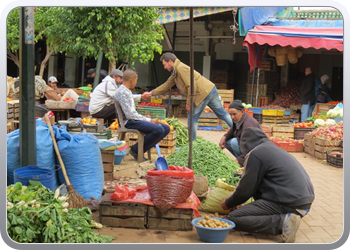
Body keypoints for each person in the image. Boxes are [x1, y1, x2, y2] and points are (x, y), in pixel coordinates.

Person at [221, 127, 315, 243]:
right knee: (248, 210)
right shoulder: (272, 149)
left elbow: (245, 189)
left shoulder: (256, 154)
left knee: (233, 218)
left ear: (245, 143)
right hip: (304, 202)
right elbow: (256, 186)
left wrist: (228, 203)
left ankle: (284, 223)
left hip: (290, 202)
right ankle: (285, 218)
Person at [142, 52, 233, 140]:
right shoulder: (176, 72)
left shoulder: (181, 68)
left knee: (192, 119)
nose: (164, 67)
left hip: (202, 93)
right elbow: (167, 85)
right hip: (210, 89)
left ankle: (191, 144)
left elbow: (191, 85)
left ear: (170, 61)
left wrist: (189, 102)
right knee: (222, 114)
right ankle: (240, 130)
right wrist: (151, 93)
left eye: (165, 64)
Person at [114, 69, 170, 162]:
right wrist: (148, 120)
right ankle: (136, 150)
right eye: (136, 79)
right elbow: (130, 115)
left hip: (134, 120)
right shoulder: (122, 92)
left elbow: (132, 111)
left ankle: (139, 150)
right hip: (129, 122)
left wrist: (145, 119)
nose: (136, 82)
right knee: (159, 129)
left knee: (166, 128)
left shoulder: (126, 91)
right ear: (132, 79)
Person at [218, 99, 261, 166]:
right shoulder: (239, 118)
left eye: (234, 114)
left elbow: (250, 149)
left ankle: (244, 163)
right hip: (244, 144)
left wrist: (239, 160)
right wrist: (225, 137)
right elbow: (232, 129)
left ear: (242, 112)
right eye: (230, 114)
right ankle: (241, 161)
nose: (232, 117)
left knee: (234, 142)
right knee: (228, 142)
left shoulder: (248, 126)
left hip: (255, 151)